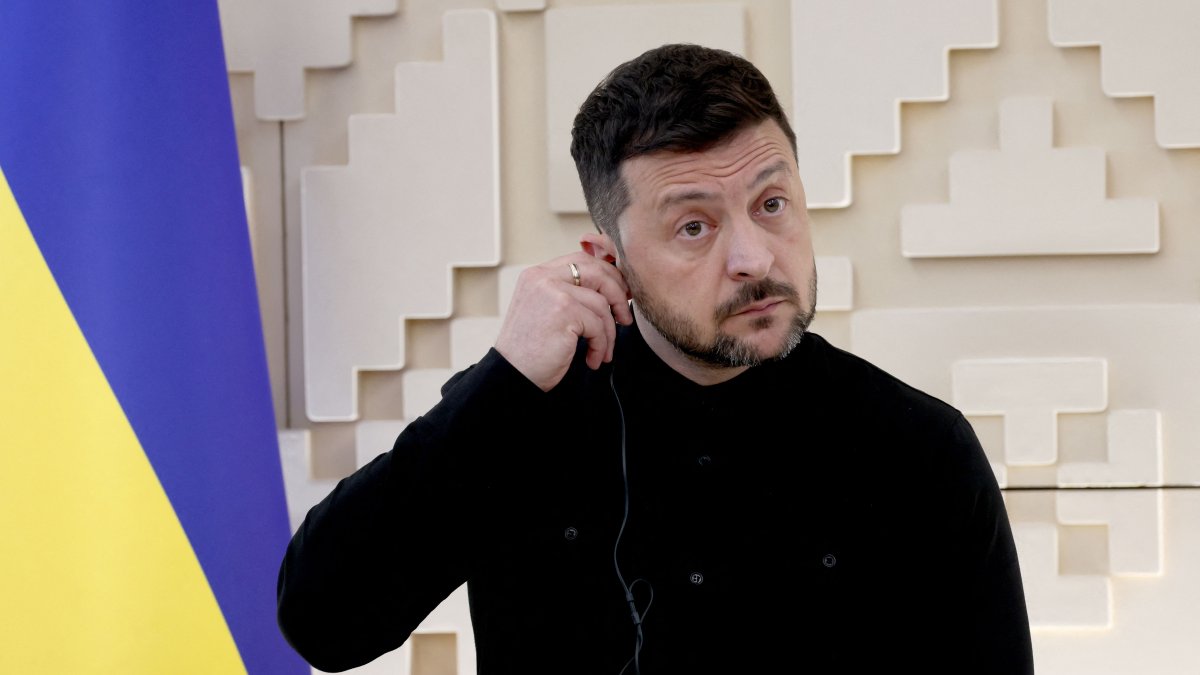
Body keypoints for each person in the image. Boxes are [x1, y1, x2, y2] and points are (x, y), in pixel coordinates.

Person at [276, 43, 1034, 674]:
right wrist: (503, 381)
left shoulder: (920, 448)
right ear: (611, 259)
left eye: (772, 204)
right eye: (694, 227)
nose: (753, 256)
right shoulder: (517, 418)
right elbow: (324, 622)